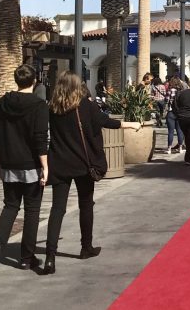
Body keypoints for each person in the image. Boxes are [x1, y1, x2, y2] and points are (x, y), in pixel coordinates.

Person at [44, 72, 141, 275]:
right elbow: (106, 122)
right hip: (83, 164)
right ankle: (85, 247)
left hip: (60, 163)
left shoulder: (53, 108)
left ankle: (50, 257)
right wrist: (131, 124)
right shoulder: (86, 106)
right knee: (86, 204)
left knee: (57, 208)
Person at [0, 64, 49, 274]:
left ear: (16, 80)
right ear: (34, 81)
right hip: (30, 164)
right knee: (32, 210)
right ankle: (26, 258)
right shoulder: (39, 105)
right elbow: (40, 138)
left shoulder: (2, 103)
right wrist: (45, 166)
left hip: (9, 163)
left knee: (10, 206)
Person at [165, 76, 184, 153]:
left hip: (171, 112)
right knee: (180, 131)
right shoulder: (182, 91)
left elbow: (166, 100)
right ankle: (180, 148)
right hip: (179, 113)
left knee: (170, 131)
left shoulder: (170, 90)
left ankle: (169, 149)